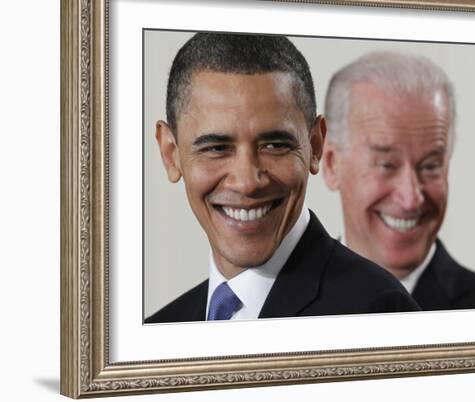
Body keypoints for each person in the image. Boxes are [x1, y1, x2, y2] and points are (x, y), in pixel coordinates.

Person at [146, 33, 419, 323]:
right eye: (216, 148)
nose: (247, 181)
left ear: (315, 145)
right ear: (170, 152)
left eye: (274, 146)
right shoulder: (157, 331)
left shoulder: (380, 313)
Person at [322, 51, 475, 311]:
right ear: (330, 164)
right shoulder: (277, 304)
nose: (411, 198)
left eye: (430, 166)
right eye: (386, 165)